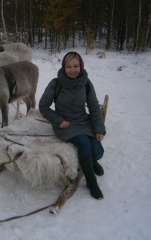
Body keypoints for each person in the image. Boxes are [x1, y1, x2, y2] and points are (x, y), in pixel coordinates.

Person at [39, 52, 106, 200]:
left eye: (76, 66)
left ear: (81, 66)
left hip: (83, 120)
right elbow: (43, 106)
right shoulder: (56, 83)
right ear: (64, 67)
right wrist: (58, 120)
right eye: (68, 66)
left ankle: (92, 161)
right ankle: (91, 182)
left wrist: (99, 128)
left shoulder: (86, 83)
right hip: (65, 124)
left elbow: (94, 107)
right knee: (84, 144)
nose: (72, 70)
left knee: (98, 151)